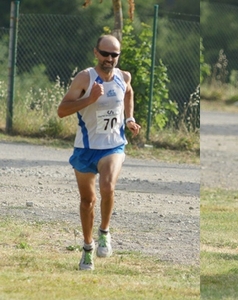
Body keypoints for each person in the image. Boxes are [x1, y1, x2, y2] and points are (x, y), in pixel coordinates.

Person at [57, 34, 141, 270]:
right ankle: (87, 247)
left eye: (114, 55)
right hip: (85, 148)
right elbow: (62, 110)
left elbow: (128, 92)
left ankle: (104, 231)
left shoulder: (123, 76)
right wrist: (89, 99)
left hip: (113, 145)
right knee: (87, 201)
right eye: (105, 54)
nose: (110, 59)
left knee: (107, 186)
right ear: (96, 53)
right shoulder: (85, 78)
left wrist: (130, 118)